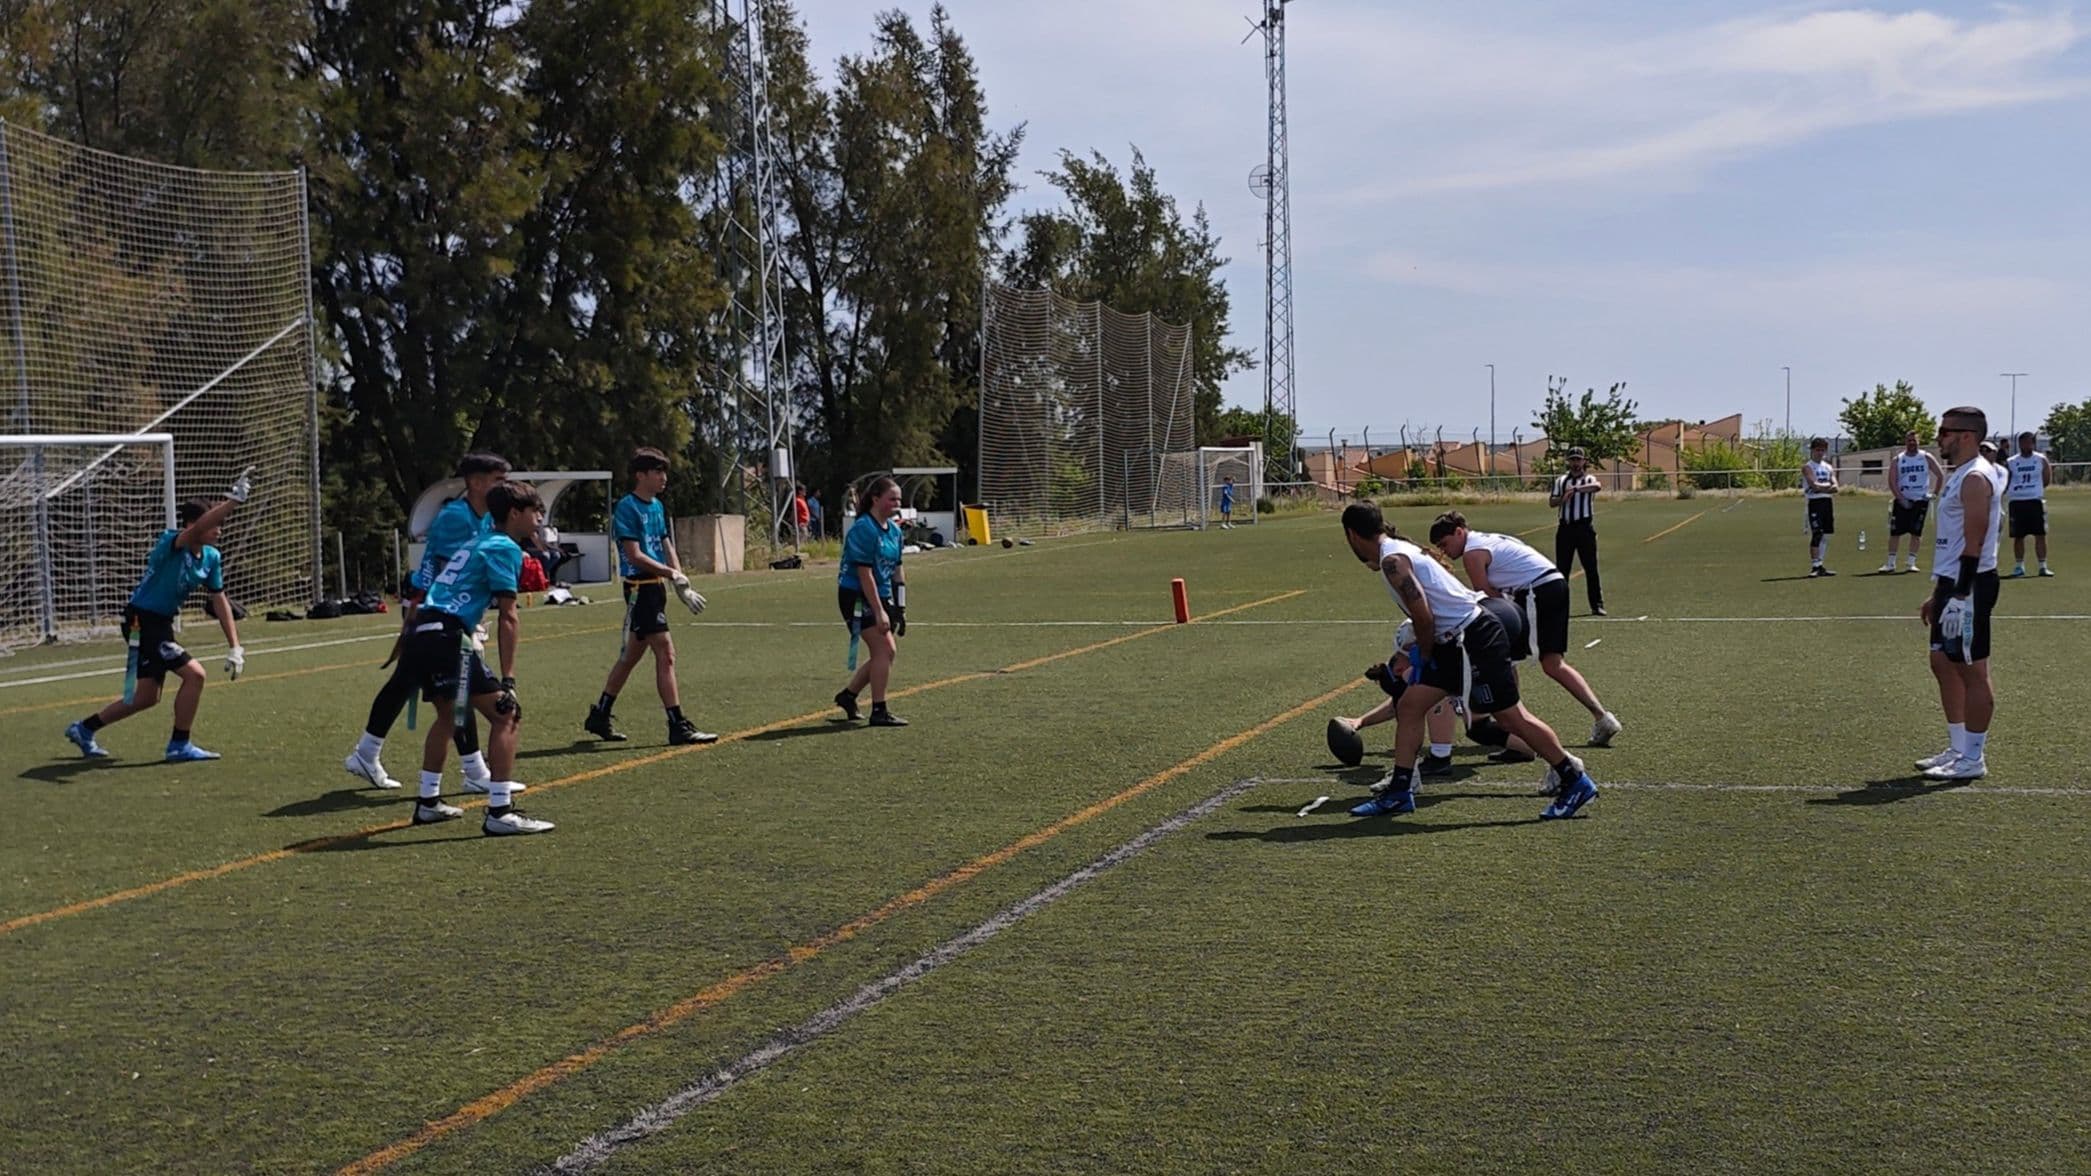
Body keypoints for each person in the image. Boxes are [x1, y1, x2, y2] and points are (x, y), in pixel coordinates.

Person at [1337, 502, 1598, 820]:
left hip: (1474, 638)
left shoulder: (1393, 560)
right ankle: (1399, 793)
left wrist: (1424, 657)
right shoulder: (1395, 551)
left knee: (1511, 717)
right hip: (1455, 640)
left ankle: (1574, 779)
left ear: (1352, 535)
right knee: (1410, 706)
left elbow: (1423, 614)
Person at [344, 452, 510, 792]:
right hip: (431, 607)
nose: (503, 488)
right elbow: (452, 572)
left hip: (443, 609)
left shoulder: (481, 517)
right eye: (498, 481)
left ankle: (367, 752)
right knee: (457, 686)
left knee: (407, 681)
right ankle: (474, 771)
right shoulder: (456, 517)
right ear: (476, 483)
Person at [64, 472, 253, 761]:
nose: (219, 530)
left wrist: (235, 647)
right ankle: (179, 745)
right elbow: (200, 526)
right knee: (195, 675)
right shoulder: (172, 542)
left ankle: (84, 729)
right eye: (214, 523)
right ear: (192, 525)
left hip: (160, 624)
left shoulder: (212, 558)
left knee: (145, 697)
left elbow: (219, 599)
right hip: (140, 621)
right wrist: (232, 502)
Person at [402, 480, 554, 834]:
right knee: (507, 715)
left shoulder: (477, 541)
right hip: (447, 636)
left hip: (422, 631)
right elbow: (508, 616)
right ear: (514, 513)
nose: (539, 519)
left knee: (448, 717)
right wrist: (509, 679)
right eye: (535, 511)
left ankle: (427, 802)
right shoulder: (504, 548)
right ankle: (500, 812)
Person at [1431, 511, 1621, 745]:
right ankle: (1599, 718)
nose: (1444, 552)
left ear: (1459, 532)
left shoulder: (1472, 552)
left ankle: (1515, 726)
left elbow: (1486, 596)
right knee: (1543, 662)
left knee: (1522, 660)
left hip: (1536, 592)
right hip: (1551, 585)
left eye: (1445, 544)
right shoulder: (1488, 539)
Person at [585, 448, 716, 746]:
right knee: (666, 654)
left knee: (630, 656)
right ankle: (677, 724)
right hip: (640, 588)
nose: (663, 477)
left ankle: (600, 714)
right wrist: (671, 574)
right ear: (640, 475)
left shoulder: (657, 506)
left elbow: (666, 545)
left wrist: (681, 582)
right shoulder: (627, 508)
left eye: (664, 471)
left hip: (655, 588)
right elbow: (634, 554)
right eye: (657, 471)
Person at [1914, 407, 2002, 781]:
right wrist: (1940, 592)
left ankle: (1973, 758)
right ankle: (1957, 747)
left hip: (1972, 584)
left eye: (1945, 431)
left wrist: (1961, 595)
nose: (1939, 437)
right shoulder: (1960, 474)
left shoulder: (1976, 478)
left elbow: (1975, 541)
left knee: (1972, 669)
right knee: (1942, 662)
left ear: (1967, 435)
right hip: (1952, 582)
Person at [834, 475, 908, 727]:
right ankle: (879, 710)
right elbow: (864, 574)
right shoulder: (864, 528)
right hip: (856, 595)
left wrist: (900, 606)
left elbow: (897, 570)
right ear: (876, 499)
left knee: (885, 652)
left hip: (881, 594)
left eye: (899, 500)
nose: (897, 504)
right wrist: (879, 611)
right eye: (892, 499)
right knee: (884, 650)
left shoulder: (895, 531)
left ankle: (848, 696)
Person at [1549, 447, 1604, 615]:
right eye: (1572, 459)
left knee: (1591, 567)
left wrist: (1576, 490)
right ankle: (1561, 607)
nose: (1575, 463)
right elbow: (1552, 502)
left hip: (1584, 528)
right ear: (1568, 461)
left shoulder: (1589, 479)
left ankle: (1597, 605)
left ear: (1584, 461)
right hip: (1565, 528)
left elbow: (1597, 486)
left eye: (1578, 459)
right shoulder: (1561, 481)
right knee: (1562, 569)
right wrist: (1563, 498)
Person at [1881, 431, 1943, 574]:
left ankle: (1911, 563)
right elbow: (1892, 481)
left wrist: (1934, 493)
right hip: (1903, 499)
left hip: (1920, 500)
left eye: (1914, 440)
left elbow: (1940, 475)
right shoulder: (1898, 459)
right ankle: (1890, 563)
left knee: (1916, 532)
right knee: (1895, 532)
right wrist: (1900, 498)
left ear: (1918, 442)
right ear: (1905, 442)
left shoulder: (1926, 457)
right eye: (1909, 440)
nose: (1912, 443)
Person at [2004, 431, 2053, 577]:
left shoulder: (2041, 459)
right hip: (2017, 502)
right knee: (2018, 536)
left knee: (2040, 534)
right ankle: (2019, 566)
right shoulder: (2012, 461)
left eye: (2029, 442)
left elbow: (2046, 479)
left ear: (2033, 443)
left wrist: (2034, 490)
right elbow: (2007, 480)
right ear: (2019, 444)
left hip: (2035, 501)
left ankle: (2042, 566)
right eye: (2023, 442)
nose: (2026, 445)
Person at [1802, 437, 1839, 577]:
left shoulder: (1828, 467)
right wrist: (1827, 486)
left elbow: (1836, 486)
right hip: (1814, 502)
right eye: (1817, 450)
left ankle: (1820, 564)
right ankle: (1815, 566)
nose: (1820, 453)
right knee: (1817, 533)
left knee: (1826, 534)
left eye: (1822, 450)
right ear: (1812, 450)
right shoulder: (1808, 467)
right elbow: (1814, 485)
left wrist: (1824, 487)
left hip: (1827, 502)